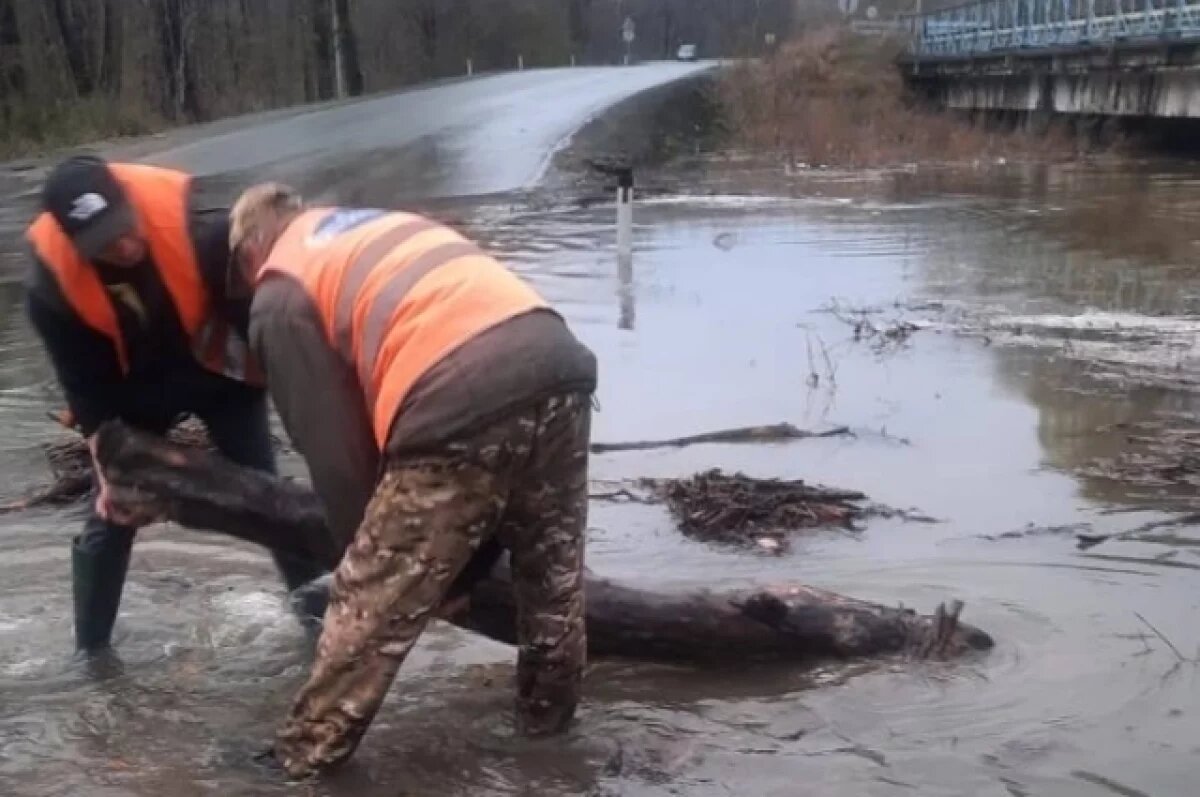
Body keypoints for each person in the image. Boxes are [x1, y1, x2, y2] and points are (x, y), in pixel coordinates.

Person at [228, 183, 598, 778]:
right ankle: (550, 749)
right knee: (552, 584)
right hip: (558, 362)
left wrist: (366, 551)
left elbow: (332, 451)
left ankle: (301, 763)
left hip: (457, 391)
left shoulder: (278, 288)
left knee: (365, 599)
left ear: (251, 249)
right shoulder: (370, 225)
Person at [24, 155, 327, 654]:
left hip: (218, 375)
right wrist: (105, 460)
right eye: (104, 242)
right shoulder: (51, 292)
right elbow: (84, 389)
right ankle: (91, 652)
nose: (125, 245)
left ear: (128, 203)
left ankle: (320, 625)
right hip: (133, 394)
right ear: (76, 245)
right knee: (111, 515)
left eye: (124, 227)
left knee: (270, 495)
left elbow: (259, 314)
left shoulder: (197, 231)